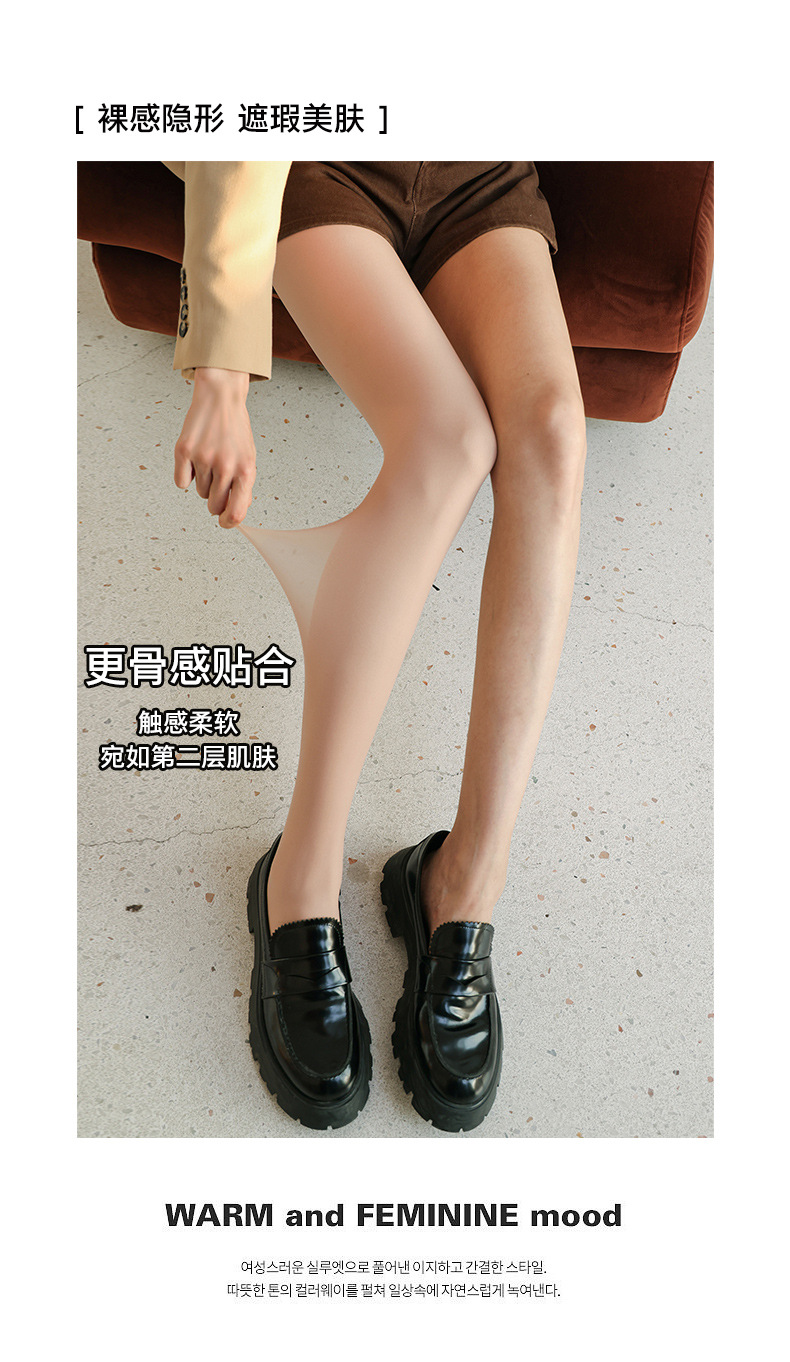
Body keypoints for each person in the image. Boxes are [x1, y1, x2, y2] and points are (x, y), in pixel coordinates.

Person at [167, 161, 587, 1132]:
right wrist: (221, 370)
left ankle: (463, 879)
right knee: (449, 439)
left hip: (475, 165)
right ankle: (301, 871)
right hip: (311, 153)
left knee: (553, 435)